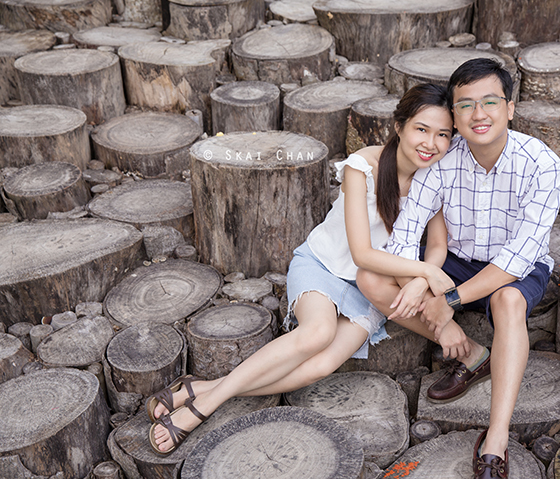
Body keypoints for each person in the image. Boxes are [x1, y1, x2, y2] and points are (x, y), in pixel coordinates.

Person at [147, 83, 457, 455]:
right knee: (316, 335)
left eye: (443, 134)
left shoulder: (434, 179)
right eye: (422, 129)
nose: (431, 143)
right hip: (323, 266)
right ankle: (204, 406)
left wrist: (423, 275)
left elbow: (437, 246)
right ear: (399, 126)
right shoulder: (363, 165)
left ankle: (203, 388)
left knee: (320, 366)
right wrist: (427, 273)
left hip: (372, 288)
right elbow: (361, 253)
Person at [357, 58, 560, 479]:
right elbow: (405, 236)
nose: (478, 114)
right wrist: (421, 285)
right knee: (370, 277)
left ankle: (495, 442)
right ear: (454, 113)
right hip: (456, 261)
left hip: (515, 269)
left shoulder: (542, 164)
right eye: (465, 105)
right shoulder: (442, 162)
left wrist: (447, 299)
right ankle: (471, 354)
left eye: (490, 102)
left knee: (508, 303)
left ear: (510, 107)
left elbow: (519, 256)